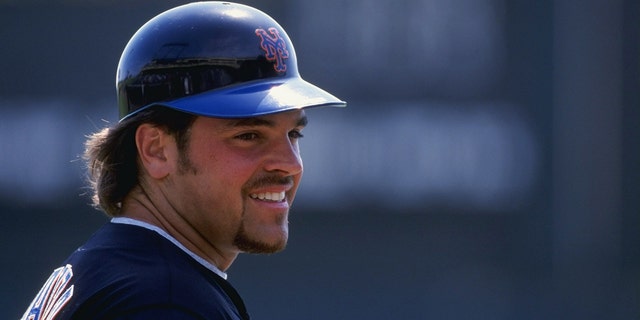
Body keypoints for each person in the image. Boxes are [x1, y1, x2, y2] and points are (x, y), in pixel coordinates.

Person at [21, 2, 345, 319]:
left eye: (293, 135)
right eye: (249, 136)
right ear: (156, 149)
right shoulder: (163, 301)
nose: (289, 164)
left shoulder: (116, 269)